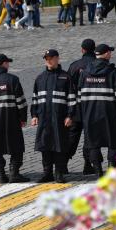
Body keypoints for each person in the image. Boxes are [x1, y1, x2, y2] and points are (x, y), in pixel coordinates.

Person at [0, 54, 29, 183]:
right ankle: (14, 173)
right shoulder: (12, 79)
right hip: (12, 120)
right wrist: (23, 118)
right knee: (17, 147)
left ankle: (0, 175)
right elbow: (21, 102)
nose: (8, 65)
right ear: (3, 64)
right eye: (7, 63)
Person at [31, 49, 76, 183]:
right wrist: (34, 115)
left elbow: (72, 98)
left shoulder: (66, 77)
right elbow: (35, 98)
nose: (48, 61)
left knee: (60, 146)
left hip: (60, 119)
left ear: (57, 58)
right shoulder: (40, 78)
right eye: (46, 58)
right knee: (45, 146)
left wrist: (70, 115)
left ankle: (59, 173)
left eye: (51, 58)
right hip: (44, 119)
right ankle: (47, 173)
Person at [78, 44, 116, 177]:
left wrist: (83, 114)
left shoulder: (85, 72)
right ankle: (111, 170)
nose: (111, 54)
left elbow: (79, 96)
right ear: (106, 54)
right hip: (110, 114)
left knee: (92, 143)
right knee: (114, 142)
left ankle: (97, 170)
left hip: (90, 115)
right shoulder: (113, 72)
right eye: (110, 52)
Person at [66, 39, 96, 175]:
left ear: (82, 50)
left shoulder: (74, 66)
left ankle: (63, 163)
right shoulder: (97, 65)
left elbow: (67, 87)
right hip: (93, 107)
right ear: (94, 50)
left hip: (76, 107)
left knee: (72, 136)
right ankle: (87, 164)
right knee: (90, 137)